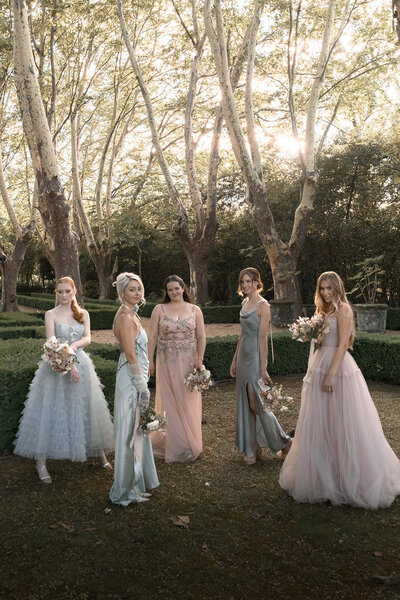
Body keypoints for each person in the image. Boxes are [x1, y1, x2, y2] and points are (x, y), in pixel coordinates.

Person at [279, 271, 400, 509]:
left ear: (337, 288)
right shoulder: (322, 311)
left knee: (344, 421)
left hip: (338, 368)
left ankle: (349, 476)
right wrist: (310, 336)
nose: (325, 293)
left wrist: (331, 374)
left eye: (329, 288)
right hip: (320, 364)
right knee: (321, 422)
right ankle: (325, 476)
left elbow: (343, 344)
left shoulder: (344, 309)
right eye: (322, 288)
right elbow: (322, 341)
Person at [14, 277, 114, 484]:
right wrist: (68, 362)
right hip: (55, 365)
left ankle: (99, 452)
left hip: (82, 363)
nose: (63, 295)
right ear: (56, 293)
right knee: (50, 409)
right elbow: (51, 342)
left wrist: (75, 346)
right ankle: (40, 461)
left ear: (74, 291)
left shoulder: (83, 314)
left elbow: (88, 338)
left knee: (87, 407)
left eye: (67, 291)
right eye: (60, 291)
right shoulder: (50, 314)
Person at [230, 268, 292, 464]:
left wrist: (263, 367)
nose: (246, 285)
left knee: (256, 404)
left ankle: (284, 443)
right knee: (247, 405)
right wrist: (234, 359)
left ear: (257, 282)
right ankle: (253, 448)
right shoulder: (244, 303)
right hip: (242, 359)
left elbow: (263, 338)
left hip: (255, 360)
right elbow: (243, 335)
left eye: (249, 281)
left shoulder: (263, 306)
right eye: (243, 282)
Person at [109, 272, 159, 505]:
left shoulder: (133, 315)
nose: (137, 293)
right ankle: (125, 490)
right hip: (130, 380)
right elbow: (130, 354)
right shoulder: (124, 318)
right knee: (130, 432)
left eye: (139, 288)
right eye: (132, 289)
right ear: (121, 293)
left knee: (138, 431)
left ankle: (137, 484)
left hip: (135, 376)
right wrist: (142, 386)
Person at [148, 275, 206, 463]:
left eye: (176, 288)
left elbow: (201, 337)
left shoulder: (195, 310)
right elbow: (153, 336)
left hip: (188, 361)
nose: (174, 292)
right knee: (169, 399)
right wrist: (150, 360)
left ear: (183, 288)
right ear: (167, 292)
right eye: (170, 289)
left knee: (187, 399)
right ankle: (174, 443)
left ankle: (189, 442)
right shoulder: (159, 309)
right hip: (166, 359)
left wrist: (199, 359)